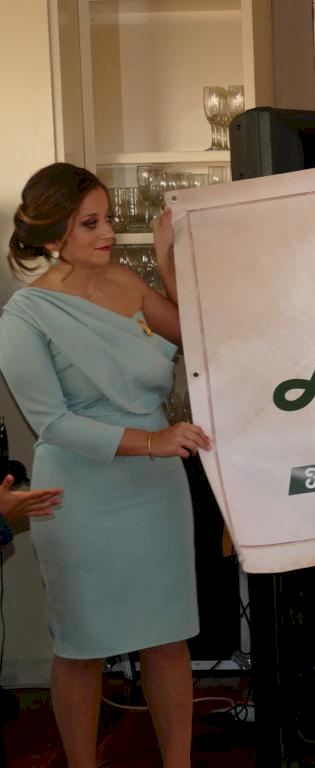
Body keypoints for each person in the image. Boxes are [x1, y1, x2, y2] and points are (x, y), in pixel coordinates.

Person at [0, 162, 212, 768]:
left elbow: (199, 336)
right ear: (51, 235)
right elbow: (53, 422)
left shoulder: (126, 281)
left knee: (168, 638)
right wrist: (153, 441)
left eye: (109, 220)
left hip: (155, 488)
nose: (109, 233)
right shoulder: (24, 316)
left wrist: (168, 262)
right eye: (90, 223)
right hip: (81, 494)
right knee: (81, 645)